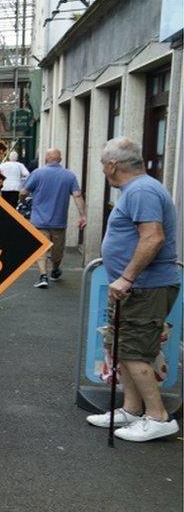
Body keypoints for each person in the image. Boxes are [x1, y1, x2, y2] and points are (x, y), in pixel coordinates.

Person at [86, 137, 180, 442]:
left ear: (112, 165)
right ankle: (131, 409)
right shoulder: (138, 190)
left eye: (102, 164)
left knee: (135, 351)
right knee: (122, 349)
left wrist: (126, 278)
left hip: (144, 287)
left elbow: (153, 237)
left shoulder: (141, 190)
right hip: (133, 288)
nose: (102, 169)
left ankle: (158, 417)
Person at [20, 148, 86, 288]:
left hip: (38, 220)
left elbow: (24, 192)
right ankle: (55, 270)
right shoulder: (69, 175)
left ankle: (43, 275)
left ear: (46, 159)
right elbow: (77, 195)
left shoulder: (37, 173)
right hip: (59, 221)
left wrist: (23, 200)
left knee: (40, 248)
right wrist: (83, 215)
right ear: (60, 160)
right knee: (57, 250)